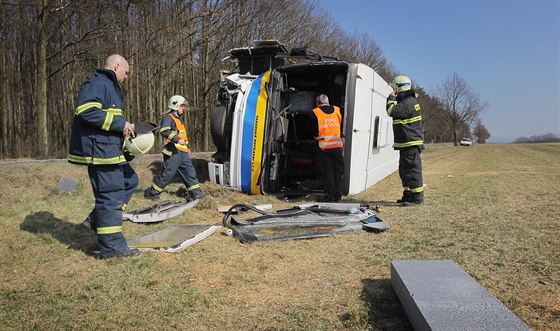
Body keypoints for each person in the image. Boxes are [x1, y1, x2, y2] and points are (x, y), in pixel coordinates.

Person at [68, 54, 140, 258]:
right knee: (110, 198)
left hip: (110, 150)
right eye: (126, 72)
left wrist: (123, 131)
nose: (127, 77)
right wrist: (120, 124)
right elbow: (86, 111)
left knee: (130, 180)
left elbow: (105, 119)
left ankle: (97, 219)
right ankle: (112, 248)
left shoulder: (111, 88)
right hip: (101, 152)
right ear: (116, 66)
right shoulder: (98, 83)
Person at [145, 95, 205, 201]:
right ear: (175, 105)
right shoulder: (168, 117)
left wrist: (184, 145)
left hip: (182, 152)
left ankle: (196, 193)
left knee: (189, 173)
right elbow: (164, 131)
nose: (184, 108)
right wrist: (177, 140)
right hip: (173, 152)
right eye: (182, 106)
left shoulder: (178, 119)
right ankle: (153, 193)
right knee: (167, 174)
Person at [386, 75, 424, 205]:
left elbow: (391, 111)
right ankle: (408, 195)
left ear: (398, 87)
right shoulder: (408, 101)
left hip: (410, 143)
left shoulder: (408, 103)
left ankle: (417, 198)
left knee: (412, 170)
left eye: (393, 88)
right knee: (405, 170)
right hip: (406, 143)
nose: (392, 90)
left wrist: (391, 98)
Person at [309, 94, 344, 202]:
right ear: (328, 101)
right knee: (338, 172)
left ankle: (330, 196)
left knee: (328, 172)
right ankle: (338, 195)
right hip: (338, 146)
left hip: (324, 147)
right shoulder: (338, 110)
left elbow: (310, 129)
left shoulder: (315, 112)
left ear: (317, 103)